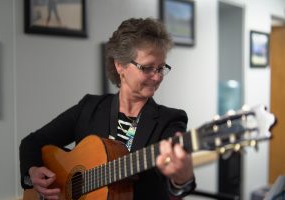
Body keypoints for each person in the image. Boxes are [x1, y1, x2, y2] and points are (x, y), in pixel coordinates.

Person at [20, 17, 196, 200]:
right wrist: (31, 172)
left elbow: (171, 190)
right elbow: (32, 142)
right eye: (147, 68)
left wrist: (181, 181)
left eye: (161, 68)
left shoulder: (170, 120)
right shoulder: (89, 108)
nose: (157, 77)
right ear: (120, 65)